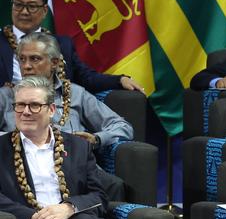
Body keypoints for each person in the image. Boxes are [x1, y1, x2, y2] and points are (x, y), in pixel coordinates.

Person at [0, 75, 110, 219]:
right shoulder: (1, 149)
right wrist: (30, 218)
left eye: (34, 105)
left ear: (51, 110)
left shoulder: (78, 147)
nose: (25, 112)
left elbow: (100, 198)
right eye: (19, 105)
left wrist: (68, 208)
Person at [0, 32, 133, 200]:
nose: (26, 66)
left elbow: (123, 126)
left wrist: (96, 139)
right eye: (22, 59)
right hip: (23, 167)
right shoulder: (6, 96)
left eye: (34, 59)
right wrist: (11, 139)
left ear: (54, 62)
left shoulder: (75, 93)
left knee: (113, 186)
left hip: (74, 165)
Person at [1, 0, 144, 93]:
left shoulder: (62, 45)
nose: (24, 12)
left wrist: (120, 80)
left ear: (44, 10)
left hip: (57, 114)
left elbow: (87, 78)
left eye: (31, 6)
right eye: (18, 5)